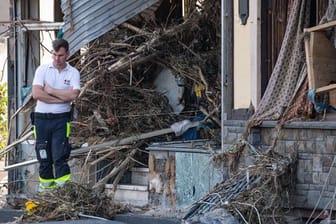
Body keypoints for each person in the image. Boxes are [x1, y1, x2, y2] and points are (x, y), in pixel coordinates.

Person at [32, 39, 80, 192]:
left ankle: (63, 192)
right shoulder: (42, 69)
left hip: (61, 120)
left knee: (60, 156)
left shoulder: (73, 73)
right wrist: (61, 98)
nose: (56, 59)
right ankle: (46, 192)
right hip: (41, 119)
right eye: (54, 55)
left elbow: (73, 95)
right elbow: (36, 94)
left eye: (60, 55)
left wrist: (51, 91)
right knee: (44, 157)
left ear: (67, 54)